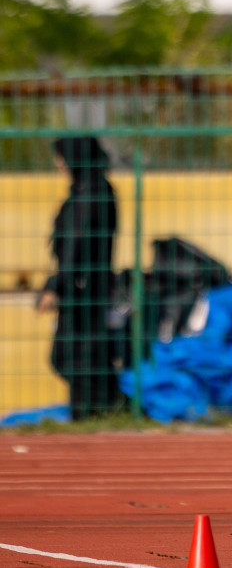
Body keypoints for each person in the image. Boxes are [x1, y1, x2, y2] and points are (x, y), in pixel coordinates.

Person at [37, 136, 121, 420]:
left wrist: (56, 285)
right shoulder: (89, 190)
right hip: (85, 284)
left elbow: (76, 245)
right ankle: (99, 410)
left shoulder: (91, 194)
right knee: (82, 357)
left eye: (61, 157)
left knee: (76, 358)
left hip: (84, 287)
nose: (58, 164)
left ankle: (95, 412)